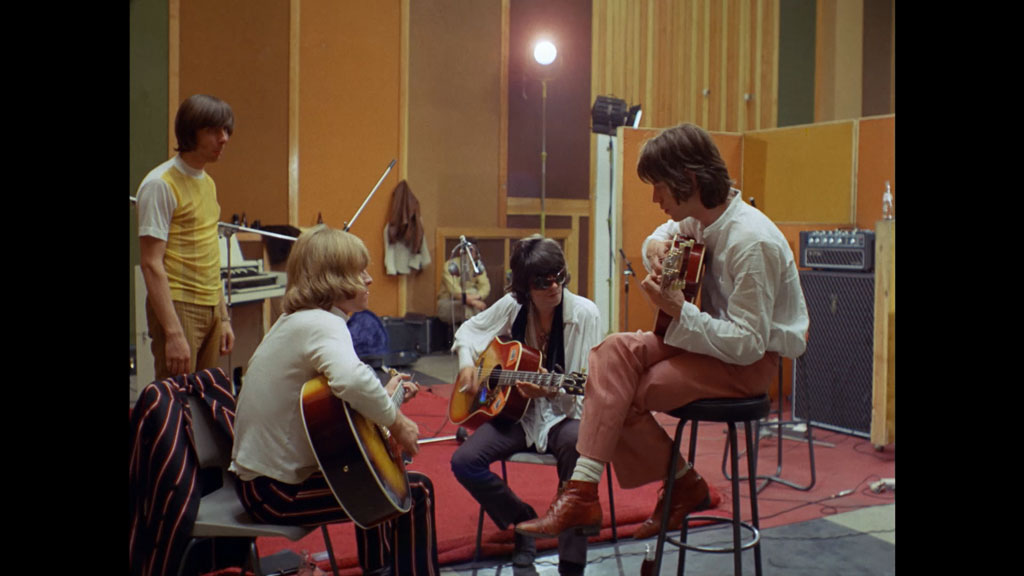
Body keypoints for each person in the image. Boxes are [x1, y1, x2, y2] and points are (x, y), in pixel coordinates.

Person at [517, 123, 809, 542]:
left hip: (748, 363)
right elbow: (664, 234)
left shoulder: (751, 242)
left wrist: (678, 309)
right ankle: (589, 491)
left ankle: (667, 486)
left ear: (688, 179)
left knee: (625, 393)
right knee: (610, 352)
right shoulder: (701, 217)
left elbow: (748, 344)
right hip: (705, 342)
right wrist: (654, 247)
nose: (655, 199)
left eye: (659, 187)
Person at [230, 225, 439, 575]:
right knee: (417, 491)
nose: (369, 279)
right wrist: (398, 423)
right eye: (359, 272)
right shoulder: (323, 324)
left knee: (370, 478)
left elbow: (338, 399)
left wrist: (385, 397)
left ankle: (379, 569)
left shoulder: (296, 321)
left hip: (262, 483)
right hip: (276, 494)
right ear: (333, 279)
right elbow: (351, 380)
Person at [450, 236, 601, 576]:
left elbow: (582, 390)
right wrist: (466, 363)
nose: (553, 286)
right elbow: (469, 331)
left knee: (579, 446)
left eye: (558, 276)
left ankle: (572, 563)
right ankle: (522, 522)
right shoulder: (512, 305)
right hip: (517, 415)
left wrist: (548, 391)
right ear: (524, 287)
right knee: (464, 462)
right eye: (541, 282)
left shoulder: (583, 314)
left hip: (564, 415)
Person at [137, 94, 236, 380]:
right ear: (191, 132)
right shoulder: (160, 184)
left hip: (211, 305)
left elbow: (210, 253)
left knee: (203, 397)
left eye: (226, 130)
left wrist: (223, 316)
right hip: (179, 304)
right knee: (176, 397)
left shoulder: (208, 183)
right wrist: (173, 332)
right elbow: (151, 264)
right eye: (214, 130)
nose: (224, 138)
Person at [437, 242, 491, 324]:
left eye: (472, 250)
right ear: (461, 251)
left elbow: (485, 286)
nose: (469, 253)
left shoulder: (477, 266)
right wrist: (473, 302)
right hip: (448, 302)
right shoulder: (451, 265)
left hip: (472, 301)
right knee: (469, 307)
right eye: (467, 250)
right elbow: (455, 292)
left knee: (472, 296)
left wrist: (478, 296)